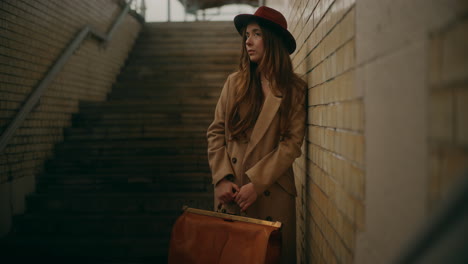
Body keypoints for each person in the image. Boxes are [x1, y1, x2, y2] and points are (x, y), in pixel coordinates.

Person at [206, 6, 306, 263]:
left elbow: (292, 144)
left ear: (272, 40)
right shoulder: (235, 83)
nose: (248, 41)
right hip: (233, 190)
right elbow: (216, 132)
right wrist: (221, 178)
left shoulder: (294, 89)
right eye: (246, 35)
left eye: (256, 34)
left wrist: (258, 184)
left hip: (272, 192)